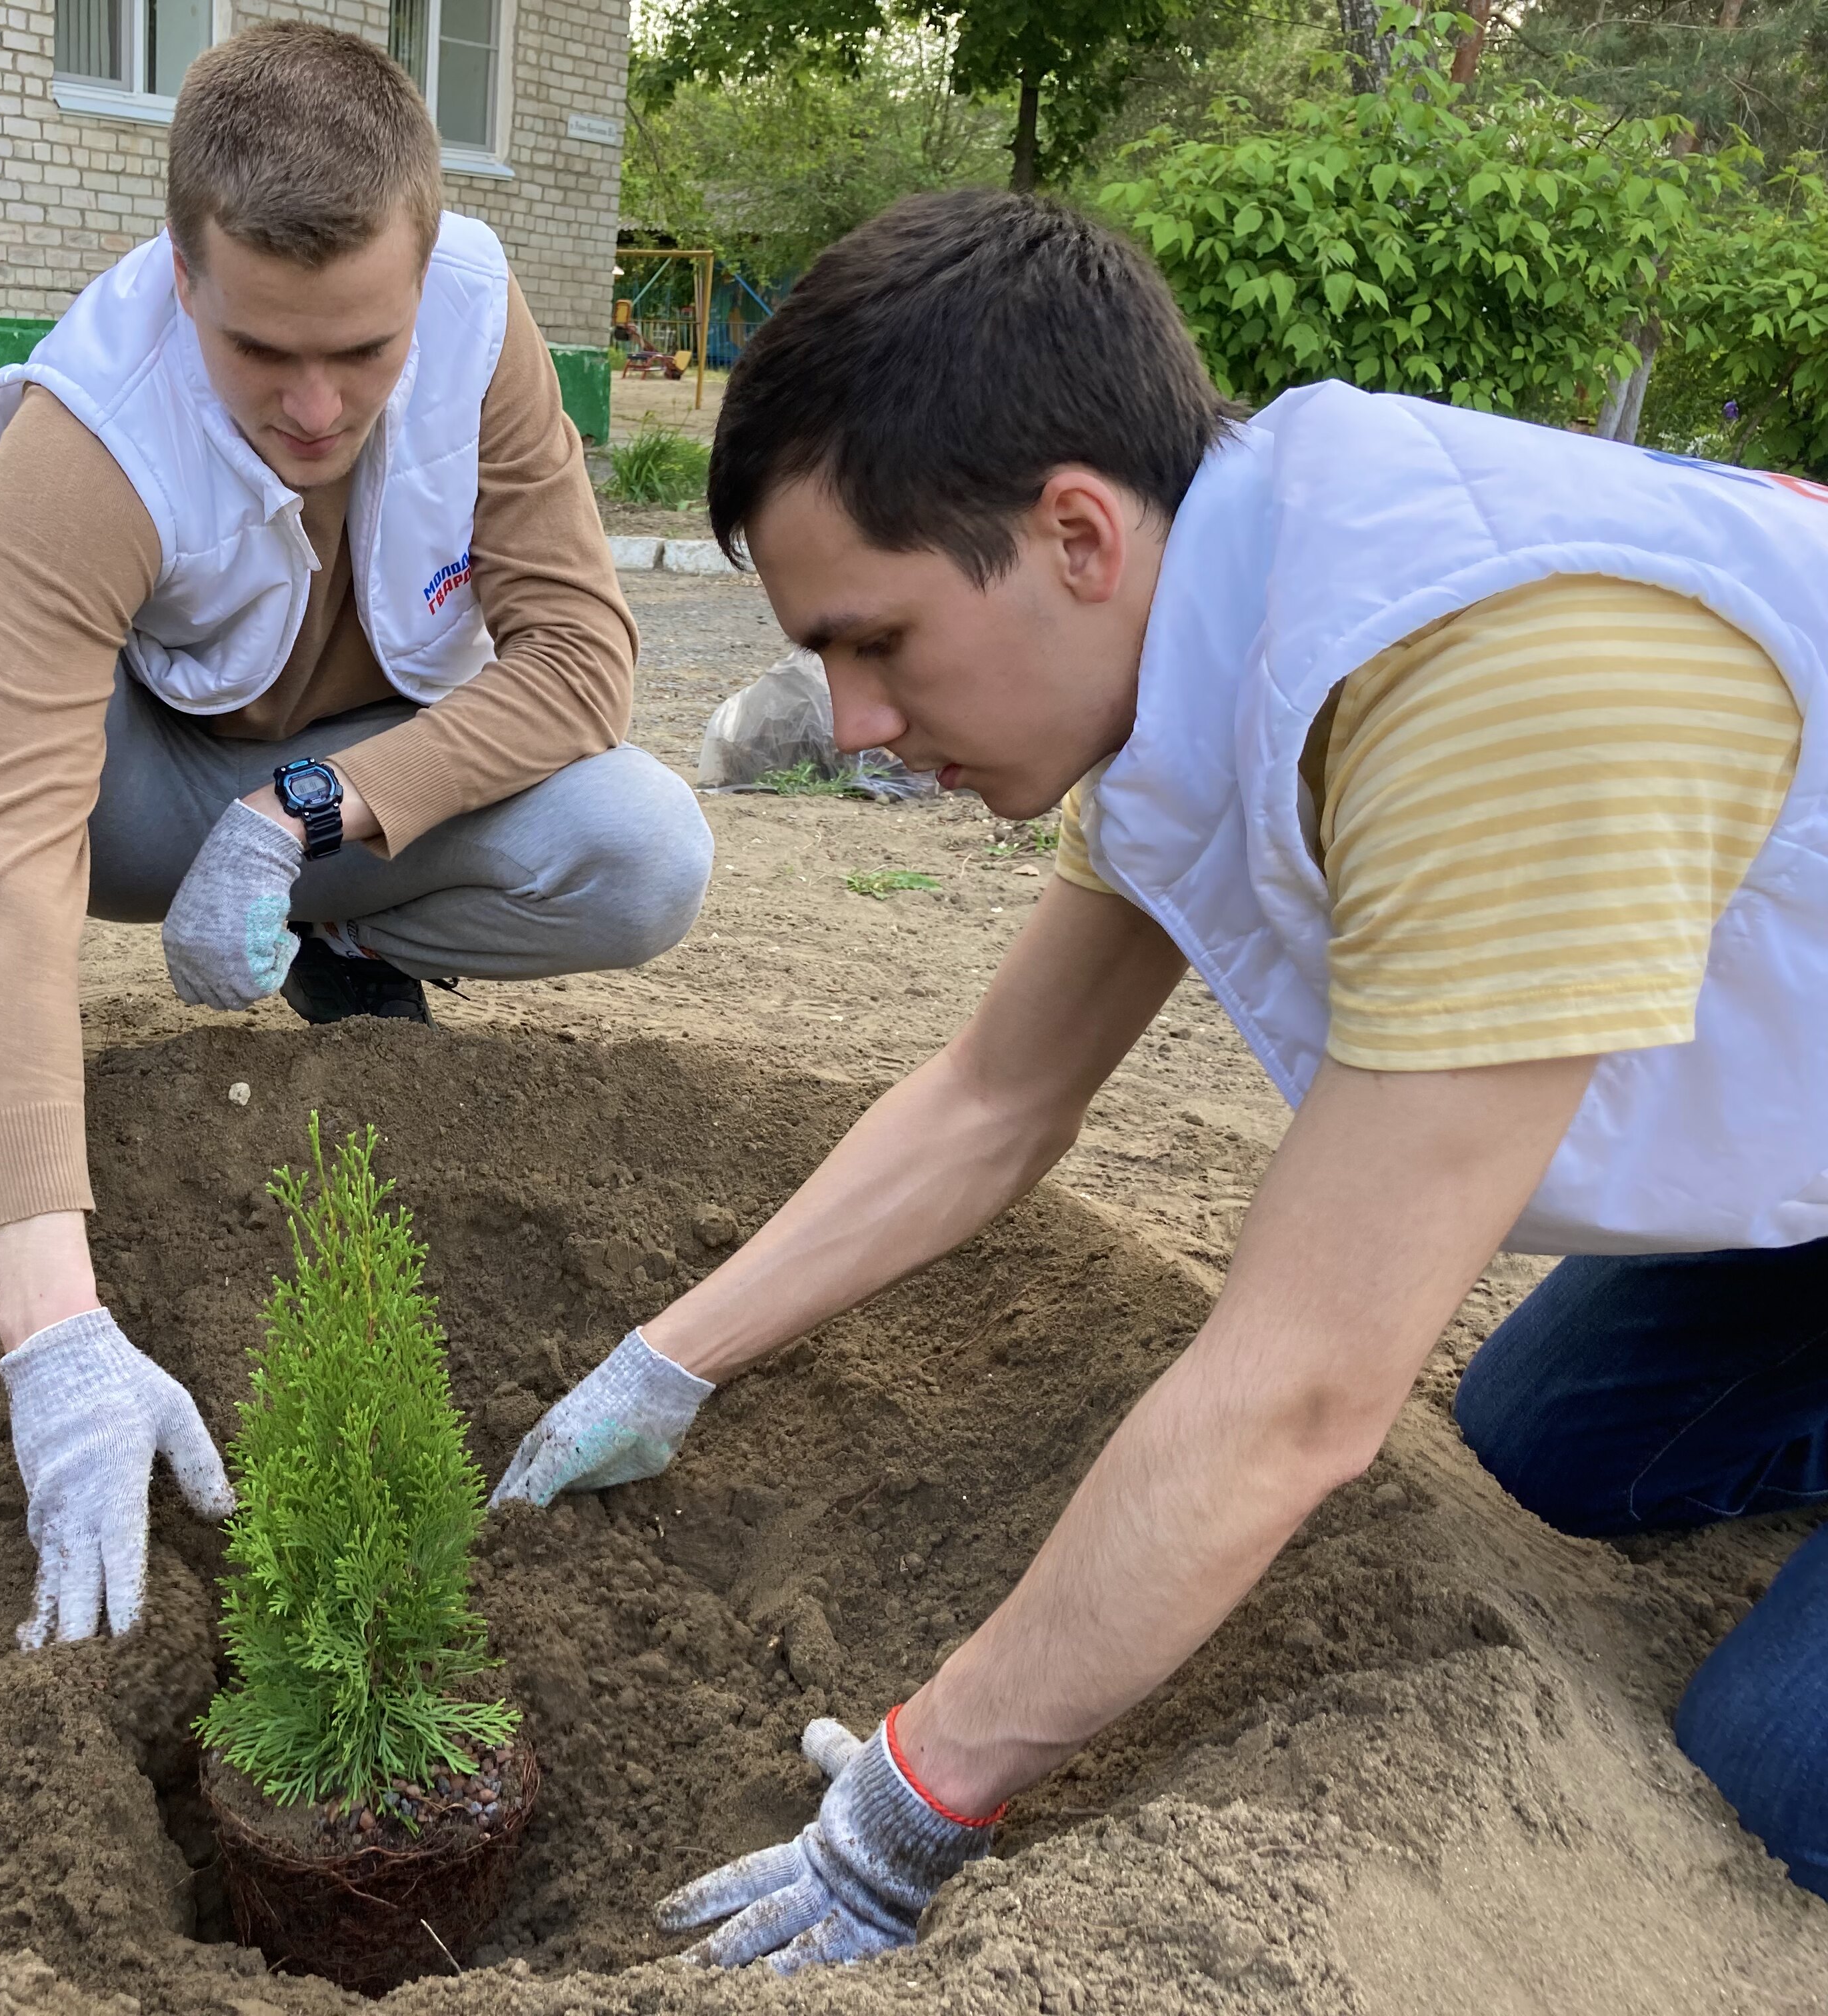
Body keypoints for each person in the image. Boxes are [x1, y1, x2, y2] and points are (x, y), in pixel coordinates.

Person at [494, 184, 1828, 1972]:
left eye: (876, 641)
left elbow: (1301, 1399)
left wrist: (918, 1793)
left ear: (1073, 533)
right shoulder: (1213, 620)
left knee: (1769, 1775)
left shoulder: (1487, 684)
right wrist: (667, 1361)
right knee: (1547, 1444)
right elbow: (996, 1098)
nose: (858, 724)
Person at [0, 24, 712, 1648]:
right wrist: (55, 1338)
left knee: (644, 846)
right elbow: (10, 846)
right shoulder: (98, 428)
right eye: (260, 351)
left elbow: (580, 662)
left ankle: (343, 938)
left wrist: (311, 815)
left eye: (360, 351)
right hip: (127, 797)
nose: (312, 404)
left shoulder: (482, 324)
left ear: (424, 266)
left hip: (325, 811)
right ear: (184, 275)